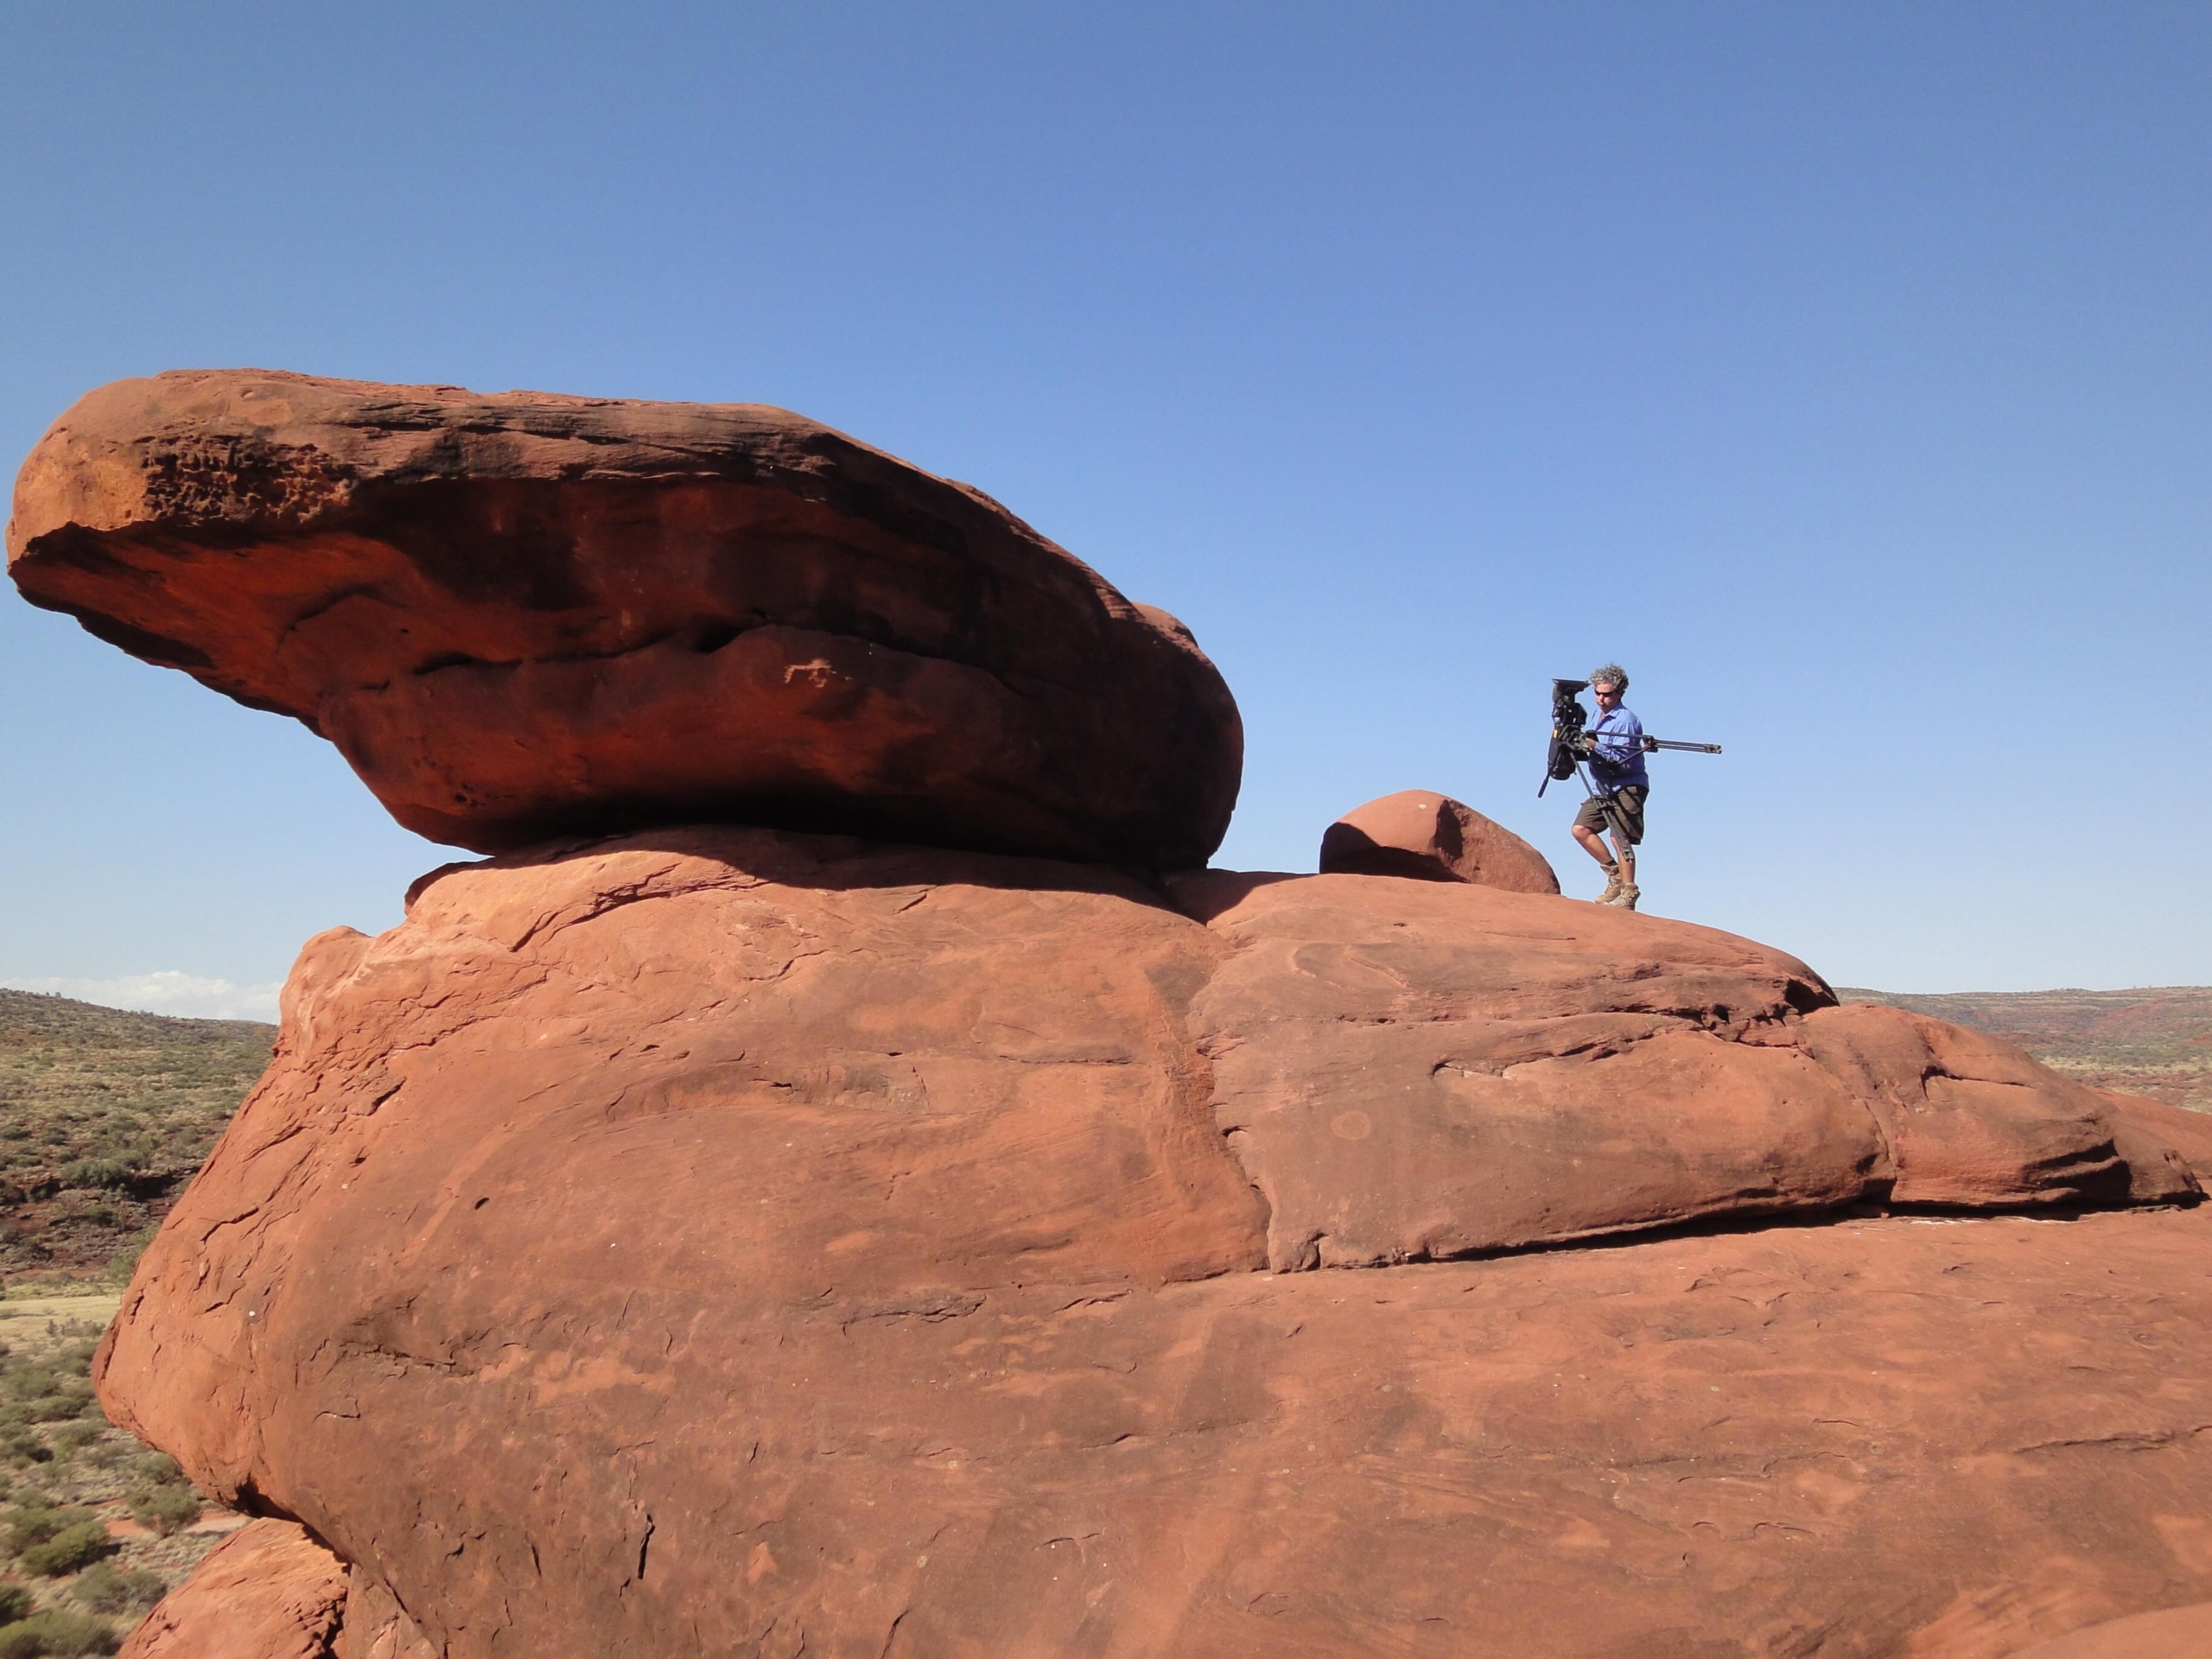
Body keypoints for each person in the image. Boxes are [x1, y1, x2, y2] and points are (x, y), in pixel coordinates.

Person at [1569, 664, 1647, 910]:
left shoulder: (1626, 720)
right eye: (1598, 693)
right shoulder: (1595, 715)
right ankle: (1614, 875)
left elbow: (1621, 759)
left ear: (1619, 693)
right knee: (1581, 829)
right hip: (1603, 787)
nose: (1602, 699)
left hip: (1627, 786)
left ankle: (1629, 891)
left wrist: (1593, 746)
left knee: (1619, 837)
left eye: (1608, 694)